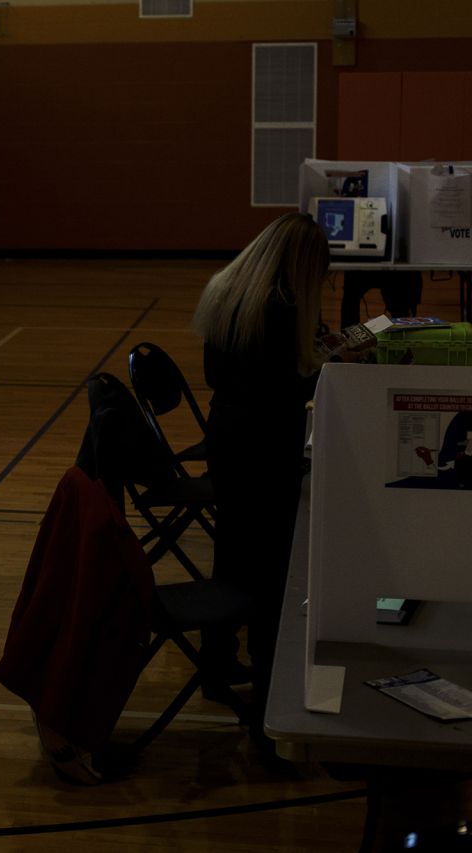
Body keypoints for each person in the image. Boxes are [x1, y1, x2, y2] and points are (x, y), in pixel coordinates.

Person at [190, 212, 328, 735]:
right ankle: (269, 703)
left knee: (232, 550)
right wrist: (322, 366)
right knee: (270, 575)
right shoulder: (280, 306)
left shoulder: (230, 289)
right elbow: (286, 392)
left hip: (227, 437)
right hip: (265, 447)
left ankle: (217, 663)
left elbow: (217, 375)